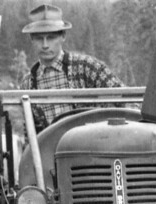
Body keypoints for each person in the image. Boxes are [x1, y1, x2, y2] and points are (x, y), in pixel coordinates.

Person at [22, 3, 123, 131]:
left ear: (63, 36)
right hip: (52, 144)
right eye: (39, 38)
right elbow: (30, 132)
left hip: (93, 140)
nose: (45, 45)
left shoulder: (87, 67)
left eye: (51, 38)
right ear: (31, 39)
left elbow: (125, 98)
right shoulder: (29, 84)